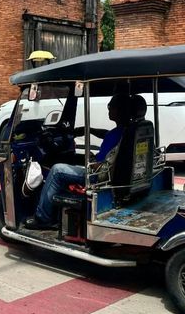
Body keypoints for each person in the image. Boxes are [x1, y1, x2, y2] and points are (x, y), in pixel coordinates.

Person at [25, 93, 132, 230]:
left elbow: (100, 165)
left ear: (120, 110)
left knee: (57, 170)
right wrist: (89, 130)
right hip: (110, 173)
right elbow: (106, 134)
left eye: (111, 106)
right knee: (73, 160)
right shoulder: (126, 131)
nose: (109, 108)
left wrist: (91, 160)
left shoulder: (115, 135)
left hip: (98, 176)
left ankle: (43, 218)